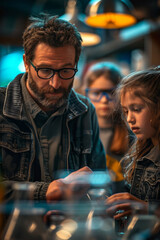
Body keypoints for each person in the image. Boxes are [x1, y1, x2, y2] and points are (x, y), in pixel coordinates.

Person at [0, 13, 106, 203]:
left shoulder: (85, 111)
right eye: (45, 70)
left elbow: (100, 183)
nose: (56, 83)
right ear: (26, 63)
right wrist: (46, 191)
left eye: (66, 70)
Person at [106, 66, 160, 220]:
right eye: (126, 111)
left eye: (136, 109)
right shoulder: (142, 153)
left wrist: (145, 208)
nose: (129, 119)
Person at [83, 62, 132, 192]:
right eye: (96, 93)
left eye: (111, 92)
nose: (104, 100)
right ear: (86, 94)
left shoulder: (132, 135)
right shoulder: (81, 133)